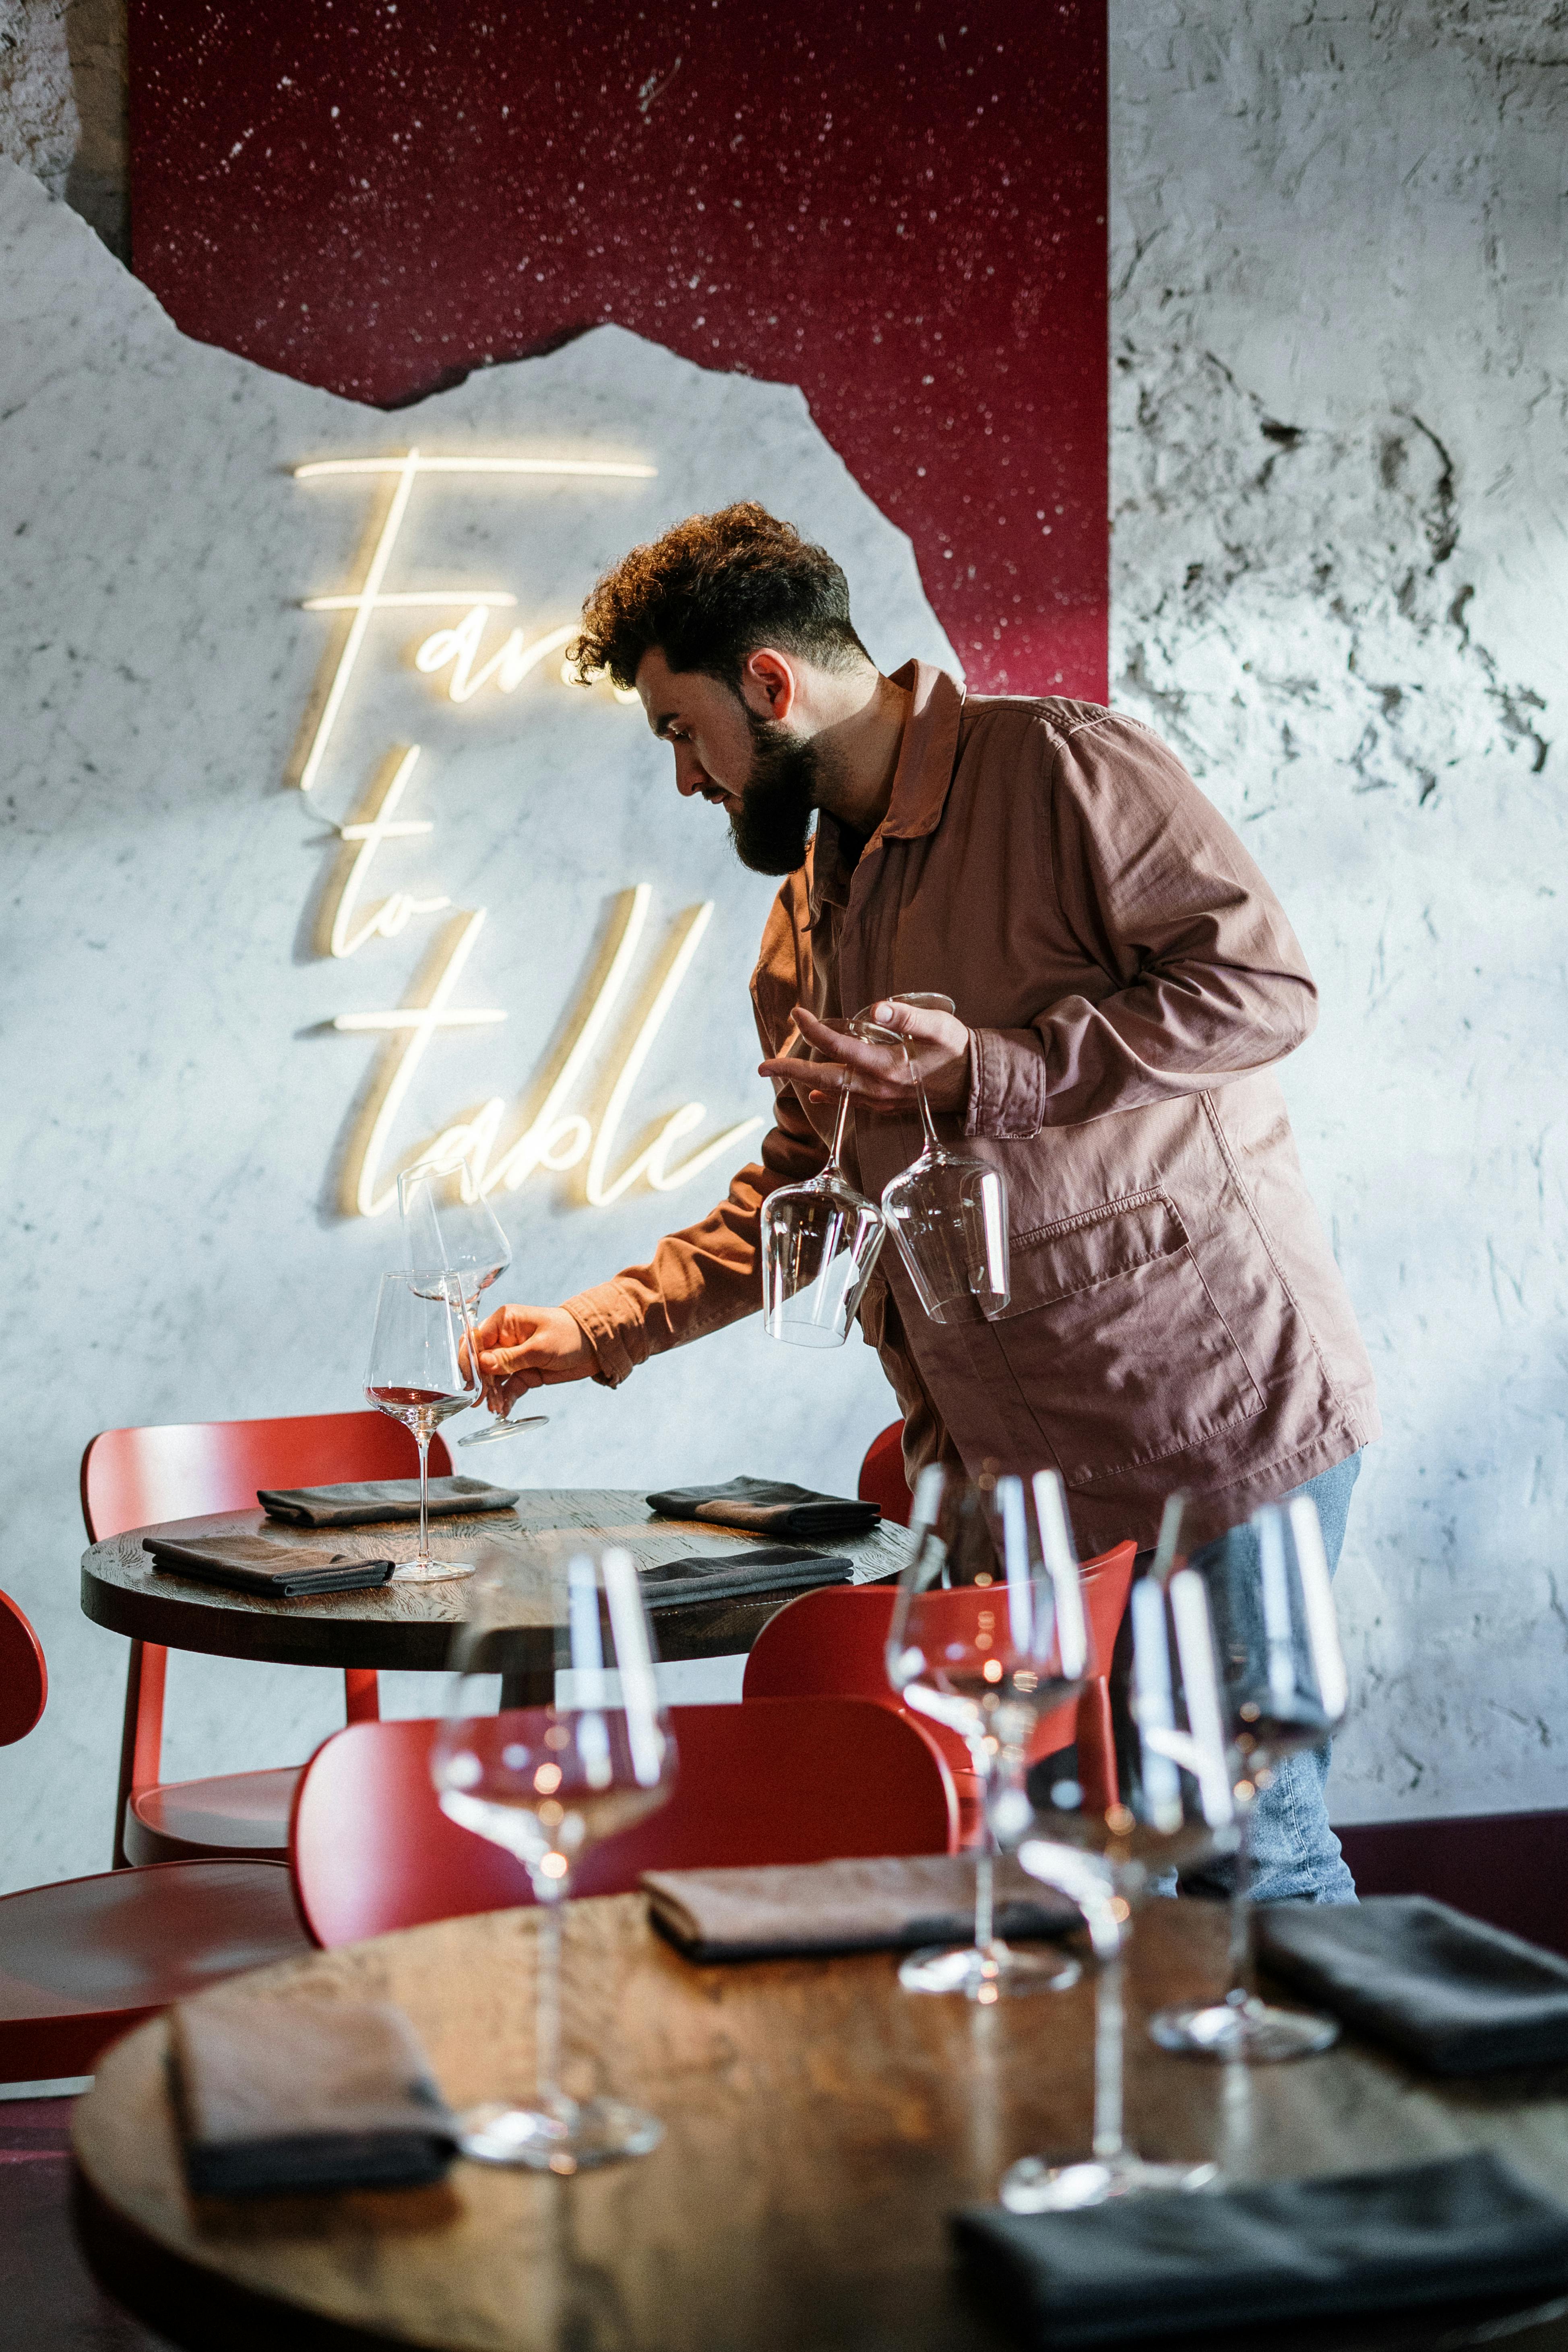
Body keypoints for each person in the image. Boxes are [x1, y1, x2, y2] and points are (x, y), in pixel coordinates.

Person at [473, 502, 1378, 1902]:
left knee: (1246, 1862)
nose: (683, 781)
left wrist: (1000, 1070)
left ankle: (1361, 2130)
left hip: (1211, 1428)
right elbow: (803, 1184)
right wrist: (597, 1326)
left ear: (770, 685)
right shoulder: (801, 924)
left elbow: (1263, 990)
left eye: (677, 730)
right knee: (1085, 1882)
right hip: (1016, 1491)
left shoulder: (1068, 769)